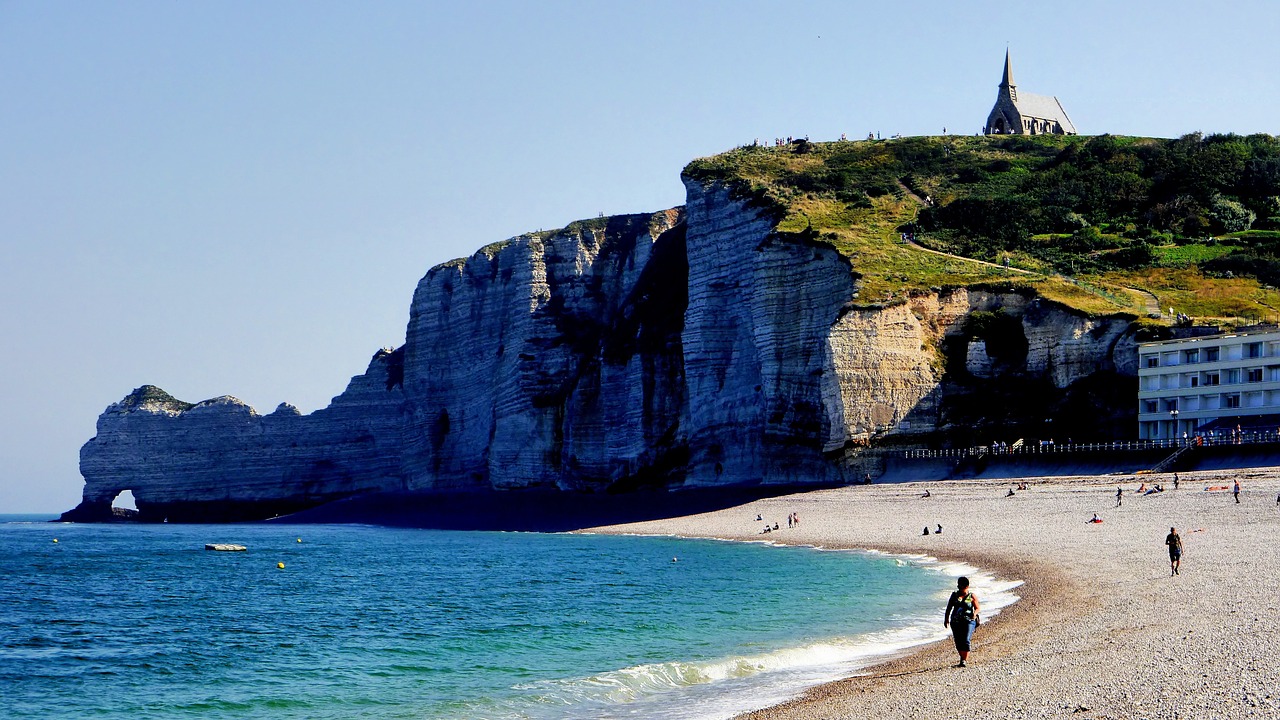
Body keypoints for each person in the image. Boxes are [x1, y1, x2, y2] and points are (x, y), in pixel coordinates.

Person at [943, 576, 980, 667]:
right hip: (955, 621)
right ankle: (962, 658)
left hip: (969, 621)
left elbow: (977, 608)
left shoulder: (971, 596)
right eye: (959, 586)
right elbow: (949, 608)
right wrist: (946, 619)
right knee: (958, 641)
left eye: (962, 586)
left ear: (967, 586)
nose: (960, 588)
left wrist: (974, 614)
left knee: (966, 639)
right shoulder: (954, 595)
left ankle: (964, 660)